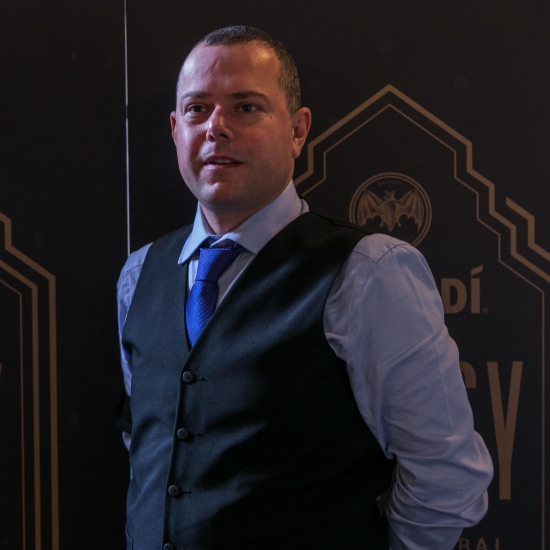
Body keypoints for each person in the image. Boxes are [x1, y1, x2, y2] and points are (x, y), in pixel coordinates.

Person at [117, 25, 493, 550]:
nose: (217, 127)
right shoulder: (139, 275)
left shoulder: (370, 272)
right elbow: (151, 446)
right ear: (177, 130)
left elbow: (446, 475)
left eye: (246, 107)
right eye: (198, 109)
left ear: (297, 131)